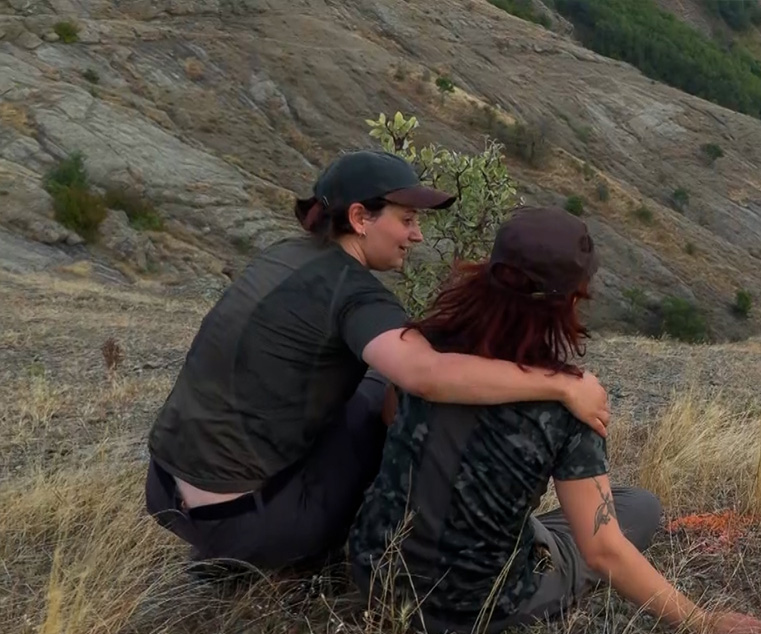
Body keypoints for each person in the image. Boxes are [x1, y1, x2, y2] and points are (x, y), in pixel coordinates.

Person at [144, 150, 612, 575]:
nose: (417, 234)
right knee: (386, 396)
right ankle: (378, 542)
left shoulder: (284, 256)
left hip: (165, 492)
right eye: (406, 219)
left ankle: (238, 541)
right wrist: (561, 384)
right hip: (246, 523)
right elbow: (425, 376)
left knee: (370, 380)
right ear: (360, 218)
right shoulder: (353, 293)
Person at [347, 206, 761, 634]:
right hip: (479, 607)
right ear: (571, 300)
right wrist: (702, 622)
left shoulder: (422, 354)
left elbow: (390, 418)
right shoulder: (569, 401)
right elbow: (603, 551)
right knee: (640, 507)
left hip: (376, 579)